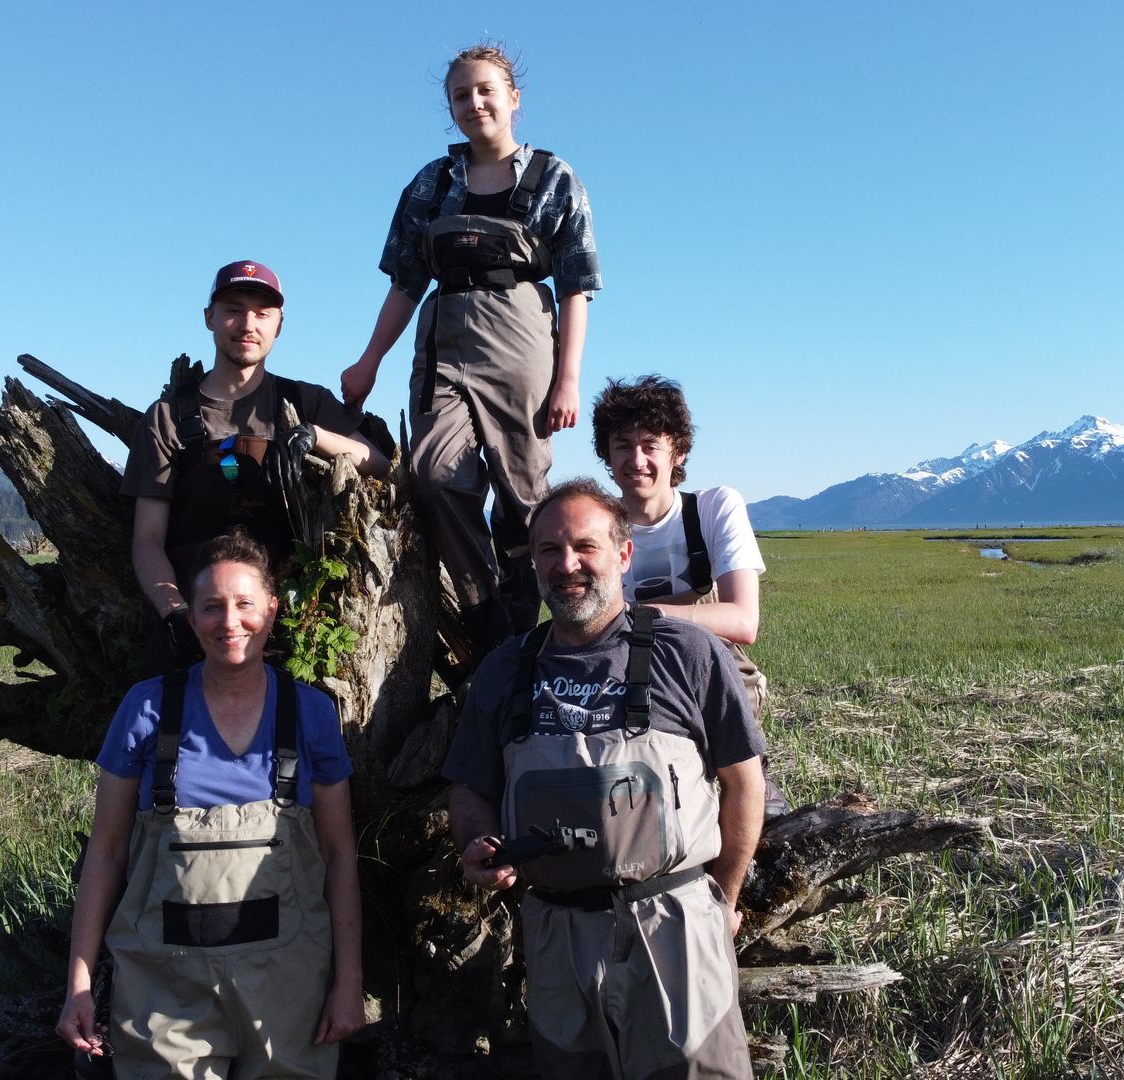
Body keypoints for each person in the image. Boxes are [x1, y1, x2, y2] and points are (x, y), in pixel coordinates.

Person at [444, 479, 762, 1078]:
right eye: (549, 550)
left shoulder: (688, 653)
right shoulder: (505, 669)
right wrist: (476, 842)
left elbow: (744, 783)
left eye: (585, 547)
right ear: (533, 561)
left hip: (676, 929)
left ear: (622, 554)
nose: (567, 566)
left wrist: (723, 898)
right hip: (555, 938)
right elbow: (471, 789)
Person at [56, 530, 366, 1078]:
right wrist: (78, 984)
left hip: (289, 990)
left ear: (272, 610)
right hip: (163, 990)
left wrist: (348, 985)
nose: (230, 621)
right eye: (212, 606)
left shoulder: (312, 714)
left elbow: (341, 857)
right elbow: (104, 855)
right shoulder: (146, 709)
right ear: (190, 615)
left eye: (245, 603)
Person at [341, 44, 601, 658]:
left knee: (523, 492)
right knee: (434, 476)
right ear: (450, 107)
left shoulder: (554, 177)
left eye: (486, 90)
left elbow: (577, 289)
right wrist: (369, 359)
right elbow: (406, 282)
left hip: (523, 336)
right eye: (461, 94)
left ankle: (532, 628)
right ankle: (483, 618)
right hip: (442, 335)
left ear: (514, 98)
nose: (474, 102)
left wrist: (568, 379)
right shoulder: (431, 184)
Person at [124, 260, 389, 672]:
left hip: (292, 613)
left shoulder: (305, 401)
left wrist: (313, 437)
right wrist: (175, 613)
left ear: (279, 325)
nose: (247, 323)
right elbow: (147, 539)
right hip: (200, 616)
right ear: (209, 318)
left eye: (262, 313)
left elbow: (379, 463)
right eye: (233, 309)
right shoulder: (167, 418)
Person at [591, 375, 770, 713]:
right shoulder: (595, 526)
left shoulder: (714, 509)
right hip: (621, 672)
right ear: (607, 455)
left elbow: (744, 622)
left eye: (650, 445)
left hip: (709, 671)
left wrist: (638, 615)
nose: (637, 460)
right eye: (623, 445)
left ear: (679, 452)